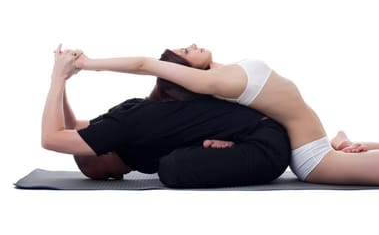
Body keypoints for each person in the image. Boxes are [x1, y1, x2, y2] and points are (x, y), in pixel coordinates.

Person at [76, 43, 379, 186]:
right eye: (185, 51)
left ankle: (342, 144)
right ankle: (340, 149)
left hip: (316, 140)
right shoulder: (213, 81)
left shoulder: (223, 71)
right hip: (312, 158)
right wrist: (86, 65)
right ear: (183, 70)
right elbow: (143, 64)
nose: (193, 44)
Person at [41, 44, 291, 188]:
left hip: (267, 150)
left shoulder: (126, 125)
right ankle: (231, 145)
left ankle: (232, 146)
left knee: (171, 169)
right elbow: (72, 127)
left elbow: (52, 138)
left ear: (106, 151)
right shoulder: (136, 108)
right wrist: (63, 85)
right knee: (173, 160)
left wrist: (58, 78)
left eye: (105, 174)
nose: (117, 176)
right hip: (263, 135)